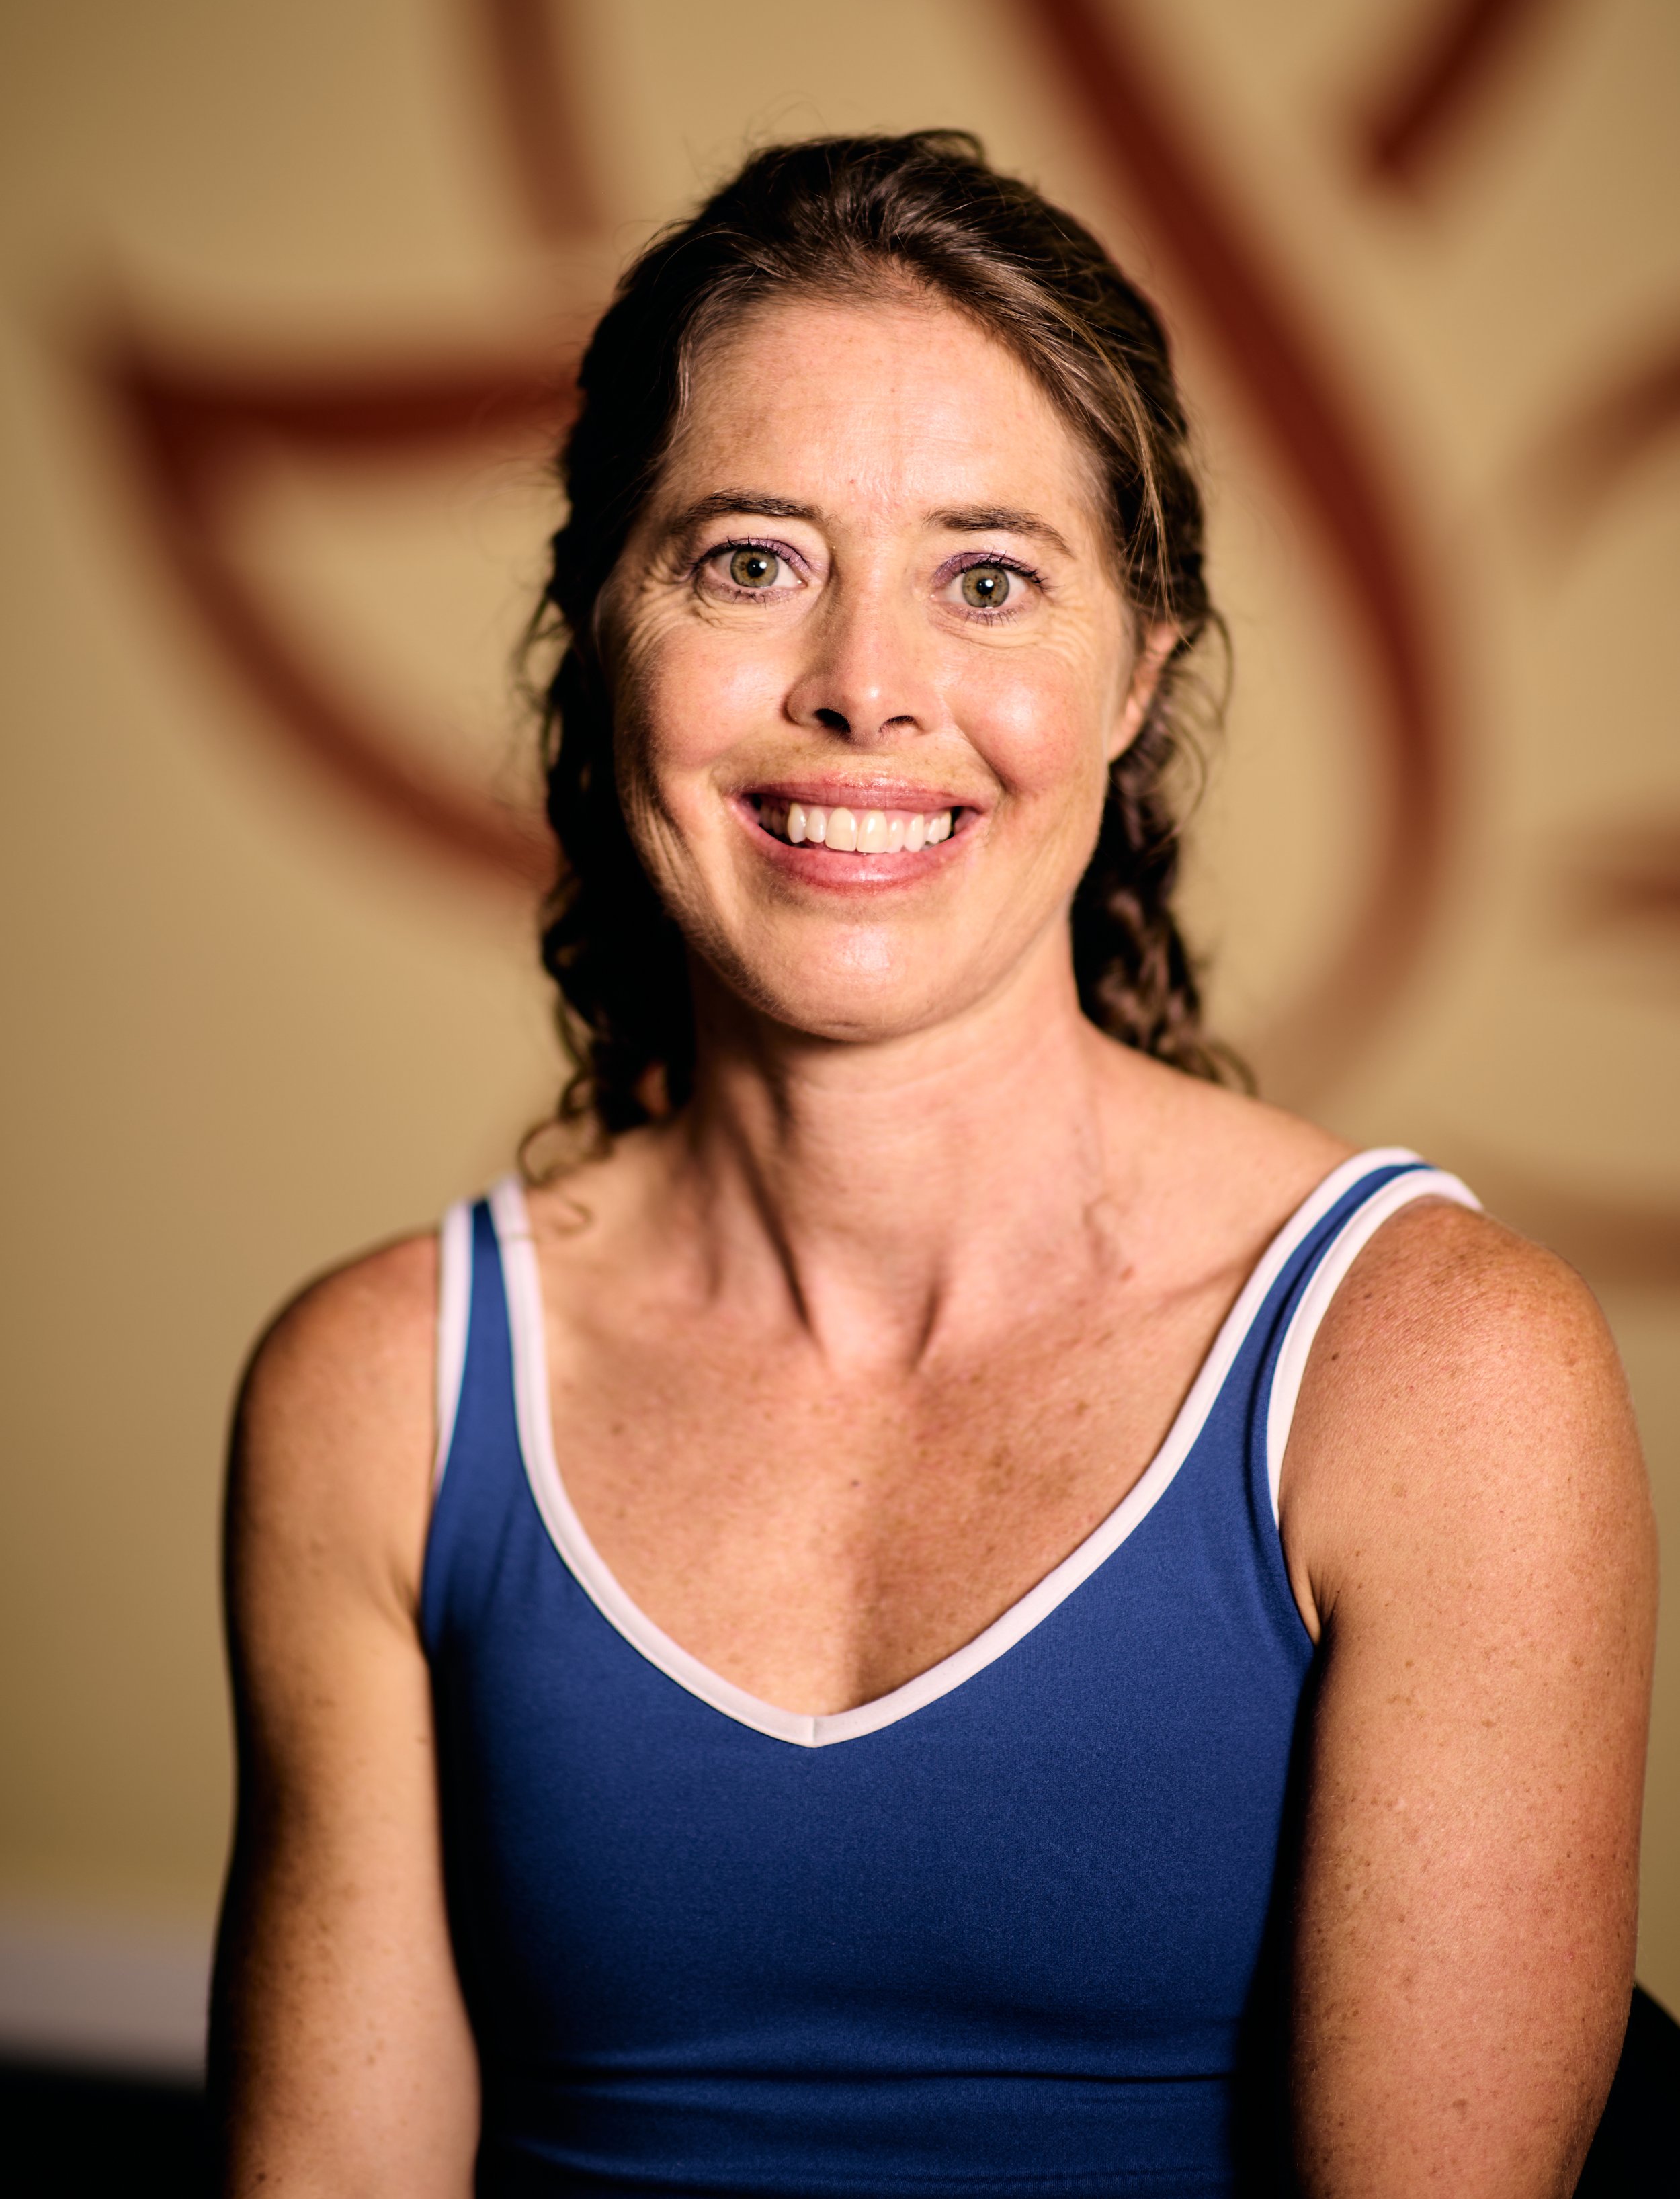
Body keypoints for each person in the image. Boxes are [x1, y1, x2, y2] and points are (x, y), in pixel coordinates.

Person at [211, 133, 1655, 2196]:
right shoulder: (373, 1394)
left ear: (1137, 672)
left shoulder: (1439, 1375)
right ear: (602, 623)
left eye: (986, 578)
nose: (865, 689)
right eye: (747, 560)